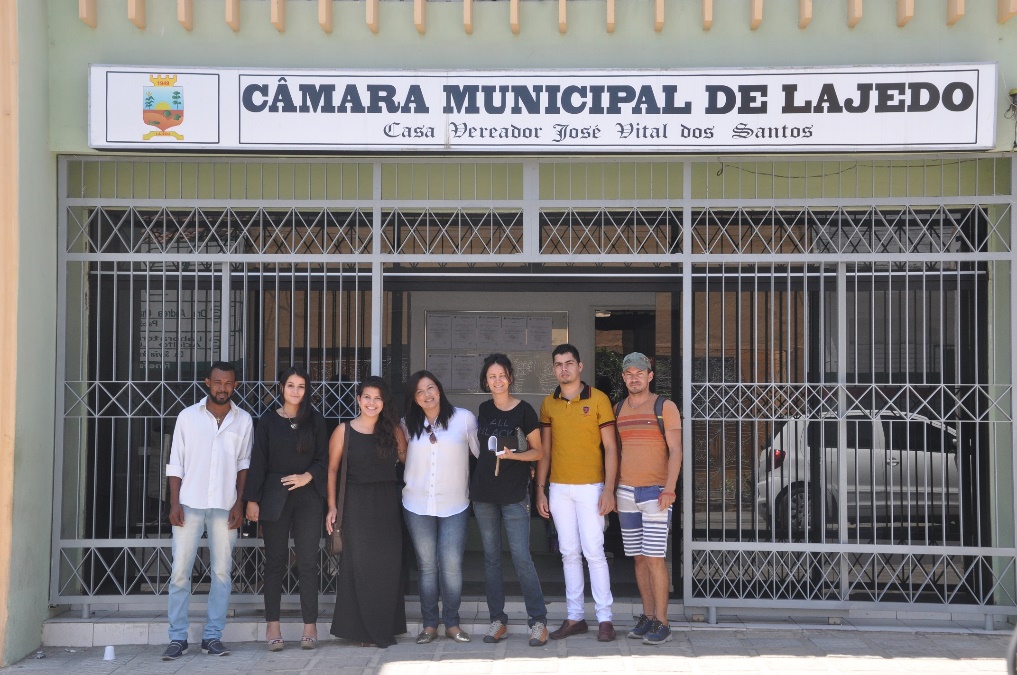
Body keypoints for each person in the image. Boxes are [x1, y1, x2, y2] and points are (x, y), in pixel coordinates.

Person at [162, 361, 253, 661]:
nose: (222, 388)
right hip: (189, 504)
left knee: (222, 573)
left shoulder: (243, 421)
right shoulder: (188, 417)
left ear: (235, 386)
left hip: (225, 506)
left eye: (228, 383)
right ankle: (177, 638)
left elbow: (244, 464)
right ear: (207, 383)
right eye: (217, 382)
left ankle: (213, 636)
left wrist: (239, 502)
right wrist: (174, 503)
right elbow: (176, 463)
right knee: (179, 573)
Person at [535, 344, 618, 642]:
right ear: (554, 368)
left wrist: (609, 489)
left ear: (580, 366)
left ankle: (605, 619)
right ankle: (575, 618)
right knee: (568, 553)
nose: (564, 369)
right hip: (558, 488)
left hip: (592, 487)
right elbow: (544, 451)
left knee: (594, 553)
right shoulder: (549, 403)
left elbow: (610, 447)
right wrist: (540, 490)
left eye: (569, 363)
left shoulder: (598, 399)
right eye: (558, 364)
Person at [243, 366, 329, 651]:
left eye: (301, 386)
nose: (295, 391)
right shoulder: (268, 421)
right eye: (290, 385)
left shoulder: (315, 420)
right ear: (282, 388)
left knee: (307, 562)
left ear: (307, 390)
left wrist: (308, 476)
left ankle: (310, 625)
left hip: (308, 499)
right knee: (275, 563)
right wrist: (252, 499)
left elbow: (324, 458)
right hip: (274, 498)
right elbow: (258, 462)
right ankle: (273, 625)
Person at [471, 354, 549, 647]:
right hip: (484, 494)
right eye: (492, 377)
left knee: (521, 557)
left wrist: (515, 456)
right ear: (486, 381)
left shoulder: (525, 410)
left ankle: (538, 621)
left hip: (515, 493)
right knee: (491, 559)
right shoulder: (483, 409)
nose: (497, 380)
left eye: (501, 375)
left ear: (510, 377)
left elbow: (538, 452)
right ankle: (497, 620)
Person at [327, 376, 408, 648]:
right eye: (367, 397)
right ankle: (361, 631)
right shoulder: (343, 431)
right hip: (356, 505)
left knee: (386, 565)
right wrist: (332, 507)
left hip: (386, 503)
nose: (372, 403)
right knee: (359, 567)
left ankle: (384, 627)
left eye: (378, 398)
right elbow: (332, 471)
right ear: (359, 399)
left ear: (384, 402)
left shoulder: (394, 431)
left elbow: (409, 461)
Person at [402, 370, 479, 645]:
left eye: (431, 388)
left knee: (451, 566)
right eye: (420, 391)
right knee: (427, 567)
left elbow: (482, 454)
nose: (427, 395)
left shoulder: (464, 419)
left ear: (440, 389)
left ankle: (453, 623)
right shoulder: (406, 424)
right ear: (414, 398)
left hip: (455, 503)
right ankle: (429, 625)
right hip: (416, 503)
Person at [614, 352, 682, 646]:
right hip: (626, 492)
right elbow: (615, 453)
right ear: (623, 377)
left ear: (650, 375)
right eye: (629, 373)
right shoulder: (618, 409)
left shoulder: (664, 406)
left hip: (655, 492)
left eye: (639, 372)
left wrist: (669, 488)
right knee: (639, 559)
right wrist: (613, 490)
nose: (634, 377)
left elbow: (676, 450)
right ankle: (648, 616)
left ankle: (663, 622)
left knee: (655, 558)